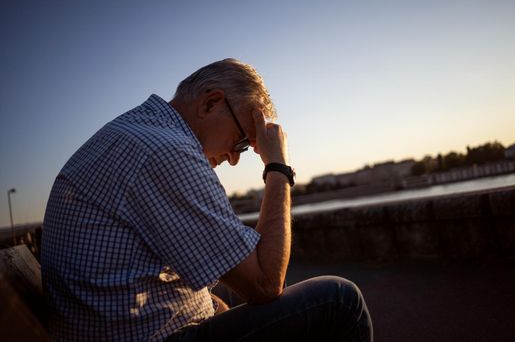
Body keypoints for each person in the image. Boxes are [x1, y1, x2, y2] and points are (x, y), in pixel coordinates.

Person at [41, 58, 373, 341]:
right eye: (242, 141)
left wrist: (215, 309)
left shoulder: (134, 133)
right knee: (339, 299)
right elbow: (266, 282)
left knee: (224, 295)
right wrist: (278, 167)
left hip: (116, 327)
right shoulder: (167, 151)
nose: (233, 158)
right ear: (210, 103)